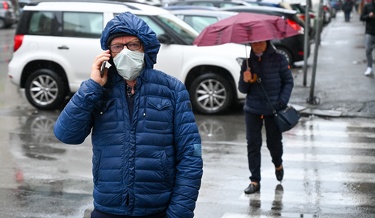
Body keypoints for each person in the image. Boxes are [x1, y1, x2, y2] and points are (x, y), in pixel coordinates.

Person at [54, 12, 203, 217]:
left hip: (157, 209)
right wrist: (91, 87)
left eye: (133, 45)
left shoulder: (172, 89)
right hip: (107, 209)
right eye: (117, 47)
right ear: (109, 53)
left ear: (145, 48)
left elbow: (191, 156)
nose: (125, 52)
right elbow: (66, 134)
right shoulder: (98, 91)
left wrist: (179, 213)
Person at [238, 40, 294, 194]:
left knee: (273, 143)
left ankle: (278, 164)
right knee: (253, 145)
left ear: (267, 42)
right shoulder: (247, 63)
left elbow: (288, 81)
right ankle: (254, 180)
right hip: (252, 109)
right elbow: (242, 89)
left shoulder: (279, 59)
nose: (257, 45)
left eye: (260, 42)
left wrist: (281, 102)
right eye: (254, 43)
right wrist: (245, 79)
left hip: (273, 109)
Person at [360, 0, 375, 76]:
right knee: (368, 50)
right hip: (370, 32)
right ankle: (369, 67)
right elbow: (361, 18)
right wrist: (368, 16)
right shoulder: (367, 6)